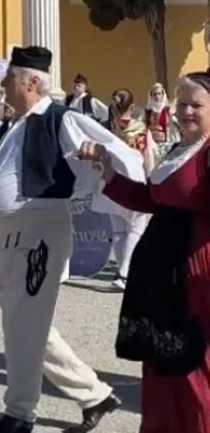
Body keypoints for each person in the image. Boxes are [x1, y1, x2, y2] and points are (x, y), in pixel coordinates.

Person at [0, 46, 132, 433]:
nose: (3, 85)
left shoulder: (59, 118)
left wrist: (100, 157)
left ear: (32, 82)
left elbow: (120, 154)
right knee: (27, 324)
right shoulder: (5, 126)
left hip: (37, 236)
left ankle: (20, 413)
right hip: (1, 237)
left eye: (10, 78)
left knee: (23, 325)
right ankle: (95, 394)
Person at [79, 71, 210, 433]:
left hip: (194, 272)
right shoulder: (181, 149)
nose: (186, 111)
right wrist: (107, 170)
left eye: (196, 105)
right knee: (161, 363)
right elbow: (152, 200)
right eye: (181, 103)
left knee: (193, 365)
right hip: (160, 272)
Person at [90, 89, 154, 291]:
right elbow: (148, 158)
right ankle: (125, 273)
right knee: (135, 228)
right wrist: (150, 178)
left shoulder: (108, 131)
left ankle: (122, 270)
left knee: (118, 230)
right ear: (132, 107)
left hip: (112, 181)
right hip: (134, 181)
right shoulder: (141, 130)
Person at [144, 82, 174, 163]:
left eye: (159, 94)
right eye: (155, 94)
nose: (157, 96)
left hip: (166, 143)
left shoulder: (168, 110)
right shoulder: (148, 111)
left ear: (162, 94)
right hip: (151, 144)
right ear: (151, 95)